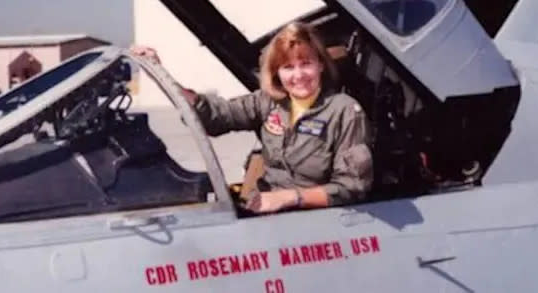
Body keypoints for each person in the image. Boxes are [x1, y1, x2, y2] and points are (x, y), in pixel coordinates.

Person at [131, 21, 374, 214]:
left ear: (320, 65)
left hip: (314, 222)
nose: (298, 75)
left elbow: (352, 188)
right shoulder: (268, 102)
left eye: (306, 64)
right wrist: (161, 74)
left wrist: (289, 198)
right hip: (266, 211)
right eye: (288, 67)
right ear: (277, 73)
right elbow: (215, 117)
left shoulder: (344, 111)